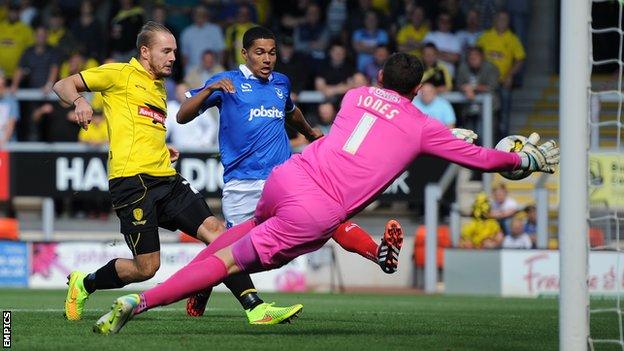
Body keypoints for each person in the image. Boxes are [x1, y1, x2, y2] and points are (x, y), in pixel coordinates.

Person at [93, 52, 560, 334]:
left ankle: (374, 253)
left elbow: (382, 122)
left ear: (379, 78)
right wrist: (524, 160)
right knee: (228, 261)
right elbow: (481, 159)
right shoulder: (421, 125)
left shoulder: (356, 97)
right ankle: (141, 301)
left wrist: (439, 133)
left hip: (287, 177)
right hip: (313, 210)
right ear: (418, 90)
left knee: (225, 245)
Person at [52, 21, 300, 325]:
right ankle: (85, 282)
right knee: (146, 268)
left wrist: (162, 148)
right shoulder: (119, 74)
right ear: (145, 51)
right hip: (132, 183)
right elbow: (62, 84)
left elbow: (141, 126)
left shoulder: (158, 85)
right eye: (165, 51)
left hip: (166, 178)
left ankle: (255, 306)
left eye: (174, 51)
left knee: (219, 235)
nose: (172, 57)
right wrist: (79, 101)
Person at [178, 26, 401, 317]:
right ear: (244, 54)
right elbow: (182, 116)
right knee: (227, 251)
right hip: (243, 184)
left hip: (284, 179)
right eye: (259, 52)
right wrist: (209, 89)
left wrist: (308, 132)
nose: (267, 58)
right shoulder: (228, 82)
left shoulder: (281, 83)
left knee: (330, 217)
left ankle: (378, 254)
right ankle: (201, 286)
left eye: (271, 52)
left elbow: (290, 111)